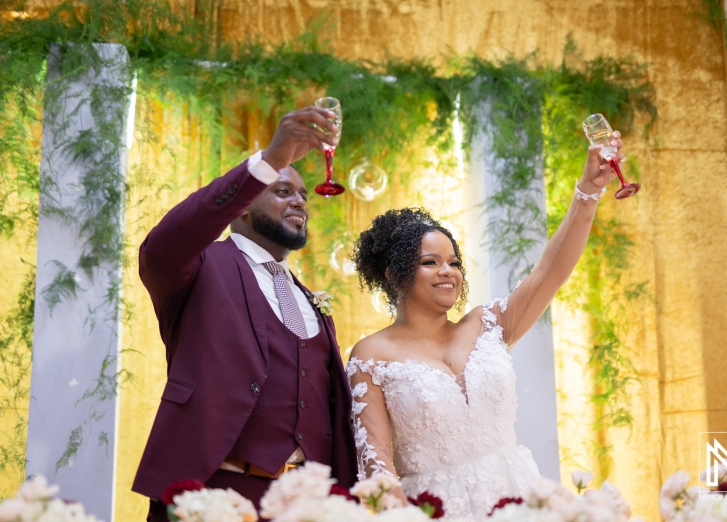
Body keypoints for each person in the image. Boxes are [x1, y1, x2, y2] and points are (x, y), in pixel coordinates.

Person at [347, 133, 623, 520]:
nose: (448, 271)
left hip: (518, 503)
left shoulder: (486, 324)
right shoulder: (371, 356)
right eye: (431, 262)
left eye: (454, 262)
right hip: (433, 512)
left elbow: (549, 272)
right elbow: (377, 469)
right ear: (395, 276)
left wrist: (588, 191)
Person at [131, 106, 358, 521]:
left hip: (306, 506)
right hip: (217, 494)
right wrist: (271, 161)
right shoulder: (198, 268)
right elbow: (162, 245)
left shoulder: (309, 300)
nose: (300, 203)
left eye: (304, 196)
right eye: (283, 190)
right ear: (240, 206)